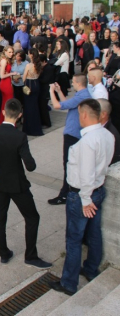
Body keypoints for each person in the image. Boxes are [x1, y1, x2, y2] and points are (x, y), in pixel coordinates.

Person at [49, 99, 114, 296]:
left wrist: (85, 201)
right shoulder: (108, 135)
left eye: (79, 115)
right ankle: (91, 269)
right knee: (94, 234)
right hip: (98, 190)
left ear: (85, 115)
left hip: (82, 196)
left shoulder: (87, 141)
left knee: (74, 239)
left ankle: (69, 283)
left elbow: (86, 174)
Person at [0, 99, 52, 269]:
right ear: (20, 115)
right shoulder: (20, 136)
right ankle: (31, 256)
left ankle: (4, 253)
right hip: (18, 185)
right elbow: (31, 166)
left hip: (1, 183)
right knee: (32, 217)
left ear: (3, 112)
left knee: (0, 217)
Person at [48, 74, 92, 205]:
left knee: (68, 164)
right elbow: (66, 104)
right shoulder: (82, 95)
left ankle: (65, 194)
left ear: (78, 83)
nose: (72, 84)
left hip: (73, 135)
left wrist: (51, 91)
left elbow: (57, 106)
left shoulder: (82, 97)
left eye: (73, 82)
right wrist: (59, 91)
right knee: (69, 164)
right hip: (74, 133)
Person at [22, 49, 44, 136]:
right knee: (35, 106)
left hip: (29, 85)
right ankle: (36, 127)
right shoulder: (39, 64)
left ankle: (29, 128)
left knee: (28, 107)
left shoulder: (29, 65)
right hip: (36, 85)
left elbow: (24, 77)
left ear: (31, 55)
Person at [0, 46, 16, 125]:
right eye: (9, 52)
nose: (11, 54)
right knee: (9, 104)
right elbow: (1, 76)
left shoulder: (6, 60)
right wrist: (11, 73)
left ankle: (4, 122)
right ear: (5, 52)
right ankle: (8, 123)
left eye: (12, 52)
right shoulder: (4, 61)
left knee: (6, 103)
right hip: (5, 83)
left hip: (7, 82)